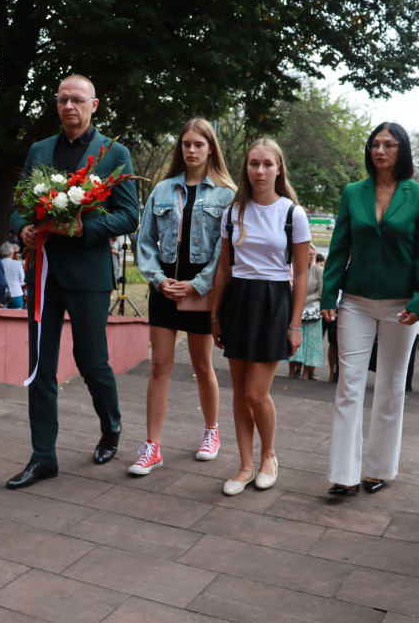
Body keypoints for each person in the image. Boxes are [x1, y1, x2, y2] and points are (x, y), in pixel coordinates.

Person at [6, 74, 139, 489]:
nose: (69, 107)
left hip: (88, 275)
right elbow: (18, 207)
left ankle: (111, 426)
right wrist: (21, 230)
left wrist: (86, 229)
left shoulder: (113, 153)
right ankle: (43, 456)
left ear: (93, 105)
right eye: (63, 100)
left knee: (91, 360)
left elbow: (129, 215)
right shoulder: (39, 150)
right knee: (40, 368)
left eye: (77, 100)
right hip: (43, 273)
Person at [321, 122, 419, 497]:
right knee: (348, 384)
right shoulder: (353, 192)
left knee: (390, 385)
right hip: (354, 301)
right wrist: (328, 294)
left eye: (389, 144)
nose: (380, 150)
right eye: (375, 144)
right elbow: (340, 246)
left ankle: (378, 469)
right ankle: (343, 473)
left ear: (402, 150)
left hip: (402, 306)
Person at [130, 118, 236, 475]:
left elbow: (226, 252)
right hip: (164, 286)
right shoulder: (162, 190)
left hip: (200, 287)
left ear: (210, 149)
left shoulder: (227, 194)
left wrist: (198, 284)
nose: (191, 150)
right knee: (159, 365)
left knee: (202, 364)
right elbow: (144, 242)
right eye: (186, 144)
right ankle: (152, 446)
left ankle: (211, 432)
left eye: (198, 144)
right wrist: (159, 280)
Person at [210, 138, 312, 495]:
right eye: (254, 164)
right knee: (239, 391)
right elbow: (224, 268)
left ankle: (269, 455)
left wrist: (295, 324)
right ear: (246, 168)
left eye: (267, 164)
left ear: (279, 168)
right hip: (238, 299)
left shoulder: (292, 214)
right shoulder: (232, 212)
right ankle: (244, 465)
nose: (260, 171)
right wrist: (215, 316)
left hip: (273, 302)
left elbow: (301, 274)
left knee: (256, 392)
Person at [287, 248, 323, 380]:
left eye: (314, 254)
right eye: (309, 254)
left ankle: (307, 373)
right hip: (297, 310)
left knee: (311, 343)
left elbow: (320, 292)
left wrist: (301, 299)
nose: (312, 257)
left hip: (312, 312)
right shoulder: (294, 268)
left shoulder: (318, 270)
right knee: (293, 339)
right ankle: (292, 371)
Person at [0, 242, 26, 309]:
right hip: (17, 293)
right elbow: (23, 280)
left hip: (3, 294)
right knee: (17, 317)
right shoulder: (17, 264)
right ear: (11, 253)